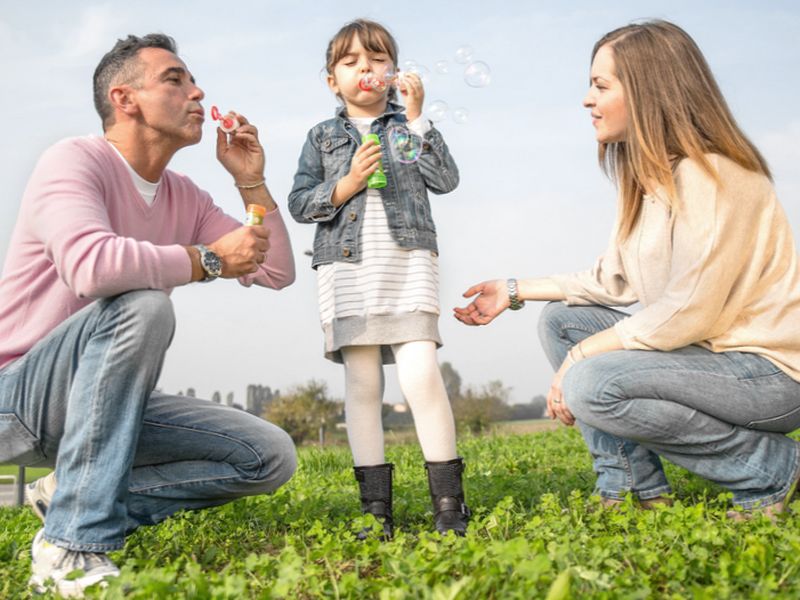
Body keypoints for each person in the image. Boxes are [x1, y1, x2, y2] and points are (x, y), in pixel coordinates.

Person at [455, 20, 800, 517]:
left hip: (768, 374)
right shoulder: (653, 180)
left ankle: (773, 470)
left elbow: (689, 309)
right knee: (562, 320)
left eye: (600, 85)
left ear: (647, 89)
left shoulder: (715, 175)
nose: (586, 100)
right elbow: (610, 280)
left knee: (592, 383)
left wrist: (581, 359)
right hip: (713, 358)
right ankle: (634, 489)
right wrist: (514, 290)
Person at [0, 33, 297, 596]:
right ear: (125, 98)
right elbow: (91, 267)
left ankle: (68, 499)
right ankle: (74, 546)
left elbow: (274, 269)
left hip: (99, 405)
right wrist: (207, 260)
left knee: (267, 456)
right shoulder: (73, 160)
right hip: (15, 394)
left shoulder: (185, 196)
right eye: (175, 79)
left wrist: (249, 180)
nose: (197, 91)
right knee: (142, 302)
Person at [288, 19, 469, 538]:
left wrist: (416, 119)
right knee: (364, 383)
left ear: (393, 72)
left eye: (376, 58)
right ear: (331, 81)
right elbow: (301, 202)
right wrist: (344, 185)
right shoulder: (322, 137)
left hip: (407, 263)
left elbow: (445, 180)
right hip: (346, 270)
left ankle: (449, 504)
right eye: (350, 61)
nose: (364, 68)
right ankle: (375, 510)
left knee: (421, 377)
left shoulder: (404, 127)